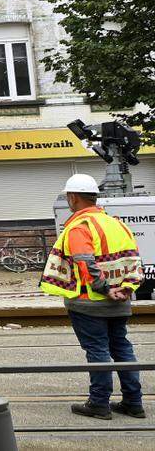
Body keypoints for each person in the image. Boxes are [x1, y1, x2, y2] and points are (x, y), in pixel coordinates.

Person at [40, 173, 145, 420]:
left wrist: (103, 288)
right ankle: (133, 402)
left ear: (73, 198)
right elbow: (133, 261)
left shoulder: (80, 227)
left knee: (97, 350)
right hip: (120, 301)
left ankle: (98, 403)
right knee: (122, 348)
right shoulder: (117, 224)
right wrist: (126, 288)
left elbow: (85, 264)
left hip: (89, 303)